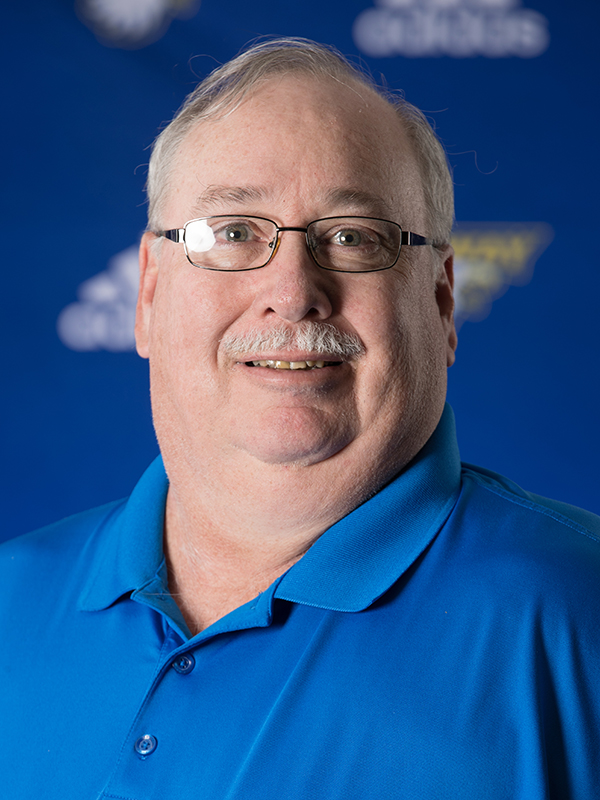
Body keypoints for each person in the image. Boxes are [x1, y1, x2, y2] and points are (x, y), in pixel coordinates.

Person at [1, 37, 599, 799]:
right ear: (149, 293)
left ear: (442, 302)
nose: (292, 289)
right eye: (235, 232)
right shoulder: (8, 605)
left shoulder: (581, 618)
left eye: (353, 238)